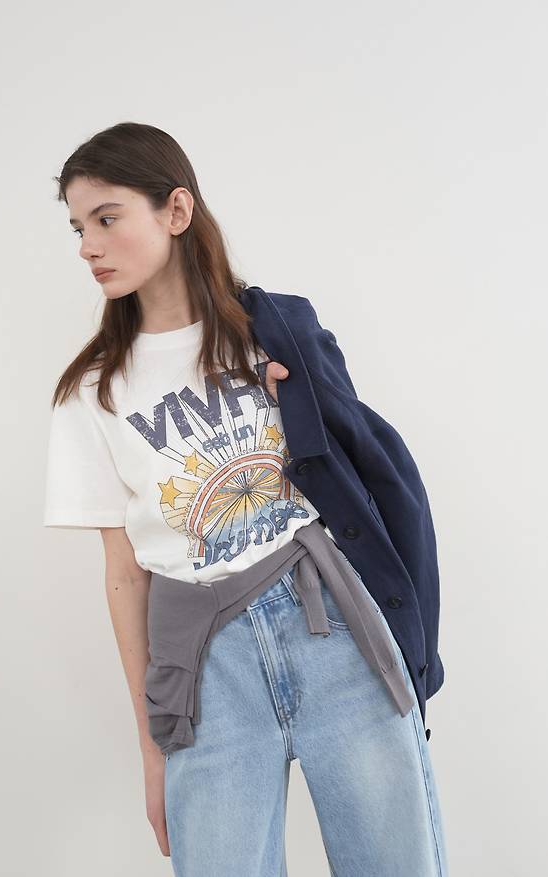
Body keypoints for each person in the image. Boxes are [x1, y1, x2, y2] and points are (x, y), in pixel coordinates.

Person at [43, 122, 449, 876]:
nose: (88, 246)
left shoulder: (275, 332)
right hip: (203, 663)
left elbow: (374, 471)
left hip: (331, 625)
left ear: (176, 210)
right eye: (78, 227)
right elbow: (123, 572)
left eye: (106, 218)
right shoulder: (91, 391)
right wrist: (151, 746)